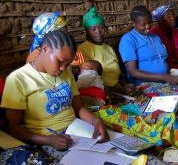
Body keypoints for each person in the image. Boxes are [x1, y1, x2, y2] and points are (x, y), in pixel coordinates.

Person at [1, 30, 109, 161]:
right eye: (60, 61)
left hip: (78, 131)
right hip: (47, 139)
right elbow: (13, 128)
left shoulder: (66, 73)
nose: (63, 68)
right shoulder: (18, 79)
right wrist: (49, 140)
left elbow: (79, 107)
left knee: (112, 152)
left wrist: (95, 121)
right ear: (45, 49)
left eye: (68, 64)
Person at [119, 5, 178, 85]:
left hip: (165, 82)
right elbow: (133, 72)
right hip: (145, 85)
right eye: (143, 24)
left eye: (149, 22)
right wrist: (163, 77)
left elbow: (163, 59)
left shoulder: (154, 36)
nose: (148, 26)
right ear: (134, 23)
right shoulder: (128, 40)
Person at [78, 7, 122, 88]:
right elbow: (87, 79)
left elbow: (117, 75)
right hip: (100, 91)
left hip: (117, 88)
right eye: (93, 29)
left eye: (101, 28)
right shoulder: (83, 50)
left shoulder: (109, 48)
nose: (98, 32)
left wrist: (123, 86)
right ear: (87, 31)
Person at [150, 5, 178, 69]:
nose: (173, 18)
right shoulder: (154, 34)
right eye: (168, 17)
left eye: (173, 15)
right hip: (163, 69)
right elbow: (158, 59)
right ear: (161, 20)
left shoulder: (175, 32)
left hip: (177, 66)